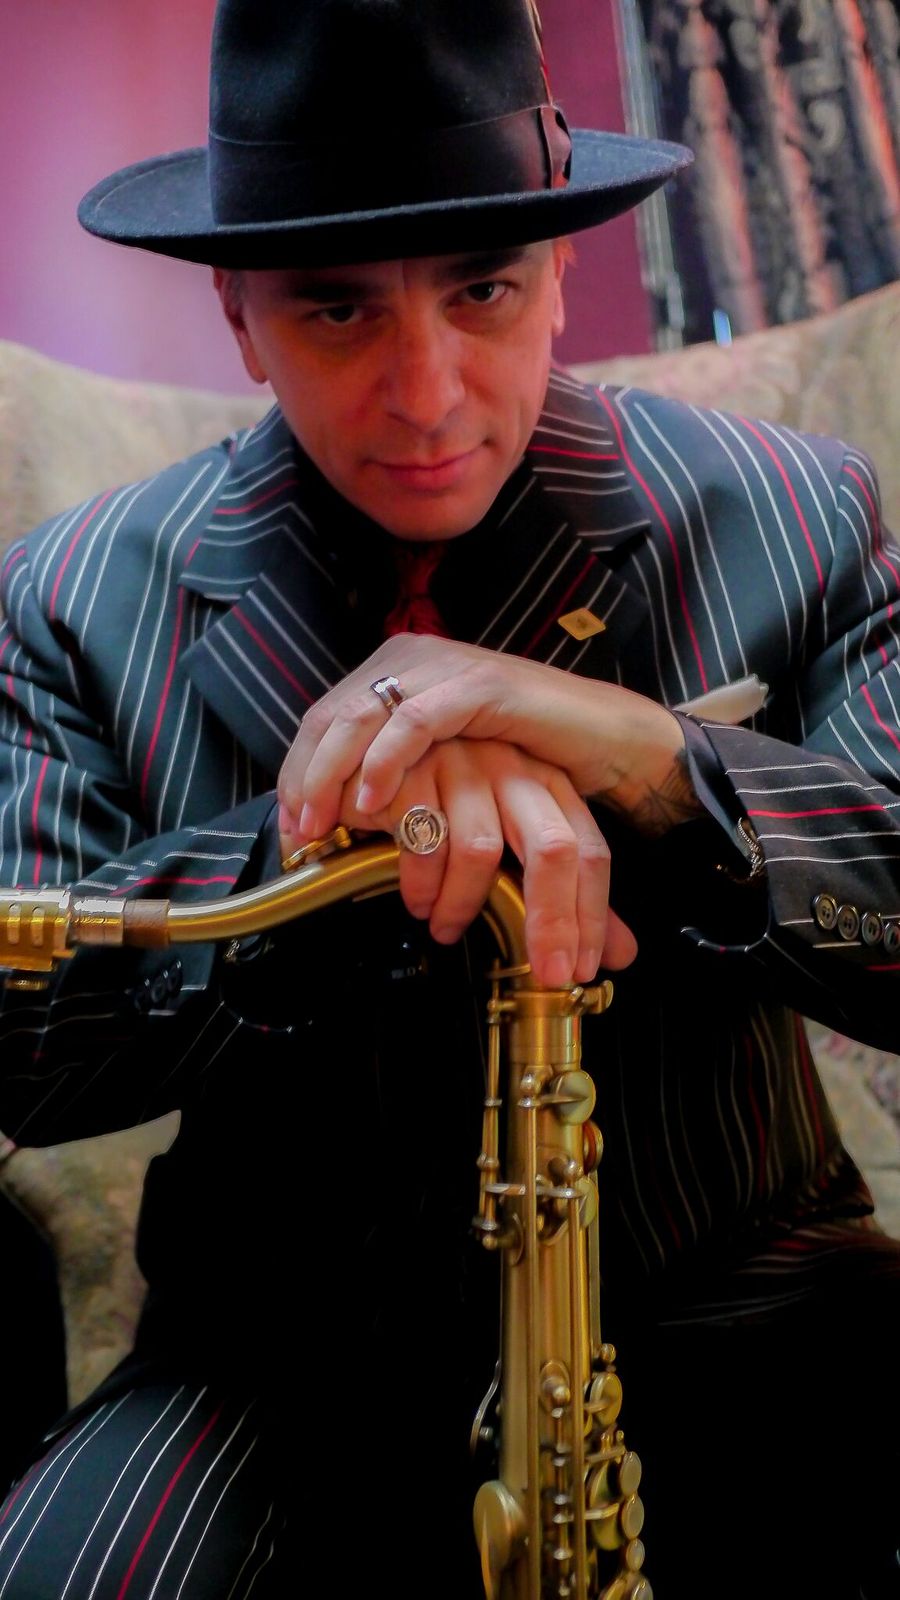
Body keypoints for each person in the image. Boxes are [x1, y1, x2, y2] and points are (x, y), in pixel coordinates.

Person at [1, 1, 899, 1595]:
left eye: (483, 289)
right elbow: (27, 1044)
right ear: (238, 313)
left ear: (558, 273)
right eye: (336, 310)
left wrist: (650, 760)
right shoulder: (68, 597)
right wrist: (356, 825)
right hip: (273, 1358)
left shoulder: (798, 508)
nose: (425, 394)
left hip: (754, 1306)